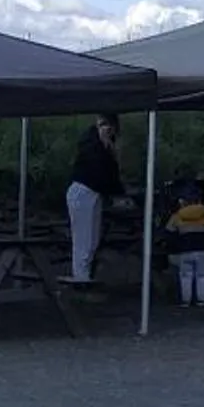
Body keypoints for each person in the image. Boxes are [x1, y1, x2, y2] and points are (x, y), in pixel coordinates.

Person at [67, 113, 125, 284]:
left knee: (92, 239)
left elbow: (110, 174)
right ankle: (80, 277)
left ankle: (84, 276)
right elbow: (101, 172)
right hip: (83, 190)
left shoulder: (104, 146)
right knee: (83, 239)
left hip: (93, 192)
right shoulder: (91, 144)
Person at [164, 177, 204, 307]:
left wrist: (171, 246)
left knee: (185, 275)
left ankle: (186, 301)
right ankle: (201, 300)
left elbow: (169, 232)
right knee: (202, 275)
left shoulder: (177, 216)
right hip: (201, 249)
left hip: (184, 250)